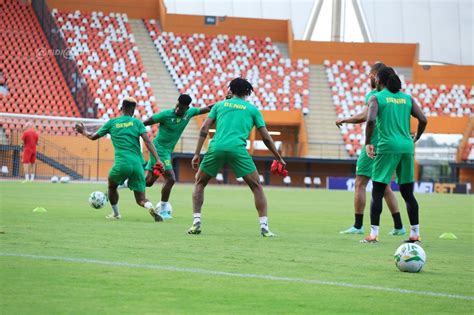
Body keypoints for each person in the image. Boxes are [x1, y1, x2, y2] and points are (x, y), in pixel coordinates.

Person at [189, 78, 286, 237]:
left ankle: (196, 222)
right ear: (248, 92)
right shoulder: (252, 109)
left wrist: (197, 153)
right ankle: (264, 227)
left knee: (200, 182)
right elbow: (266, 138)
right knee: (256, 187)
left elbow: (205, 127)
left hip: (217, 147)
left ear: (230, 90)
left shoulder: (219, 105)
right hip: (238, 149)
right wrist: (278, 157)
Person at [336, 63, 405, 235]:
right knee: (385, 186)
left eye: (370, 75)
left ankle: (358, 226)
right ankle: (399, 227)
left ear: (376, 76)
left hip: (373, 146)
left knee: (360, 183)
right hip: (390, 146)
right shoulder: (397, 96)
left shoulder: (375, 95)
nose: (369, 78)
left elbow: (365, 117)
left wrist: (345, 119)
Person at [362, 67, 427, 243]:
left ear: (379, 80)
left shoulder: (377, 98)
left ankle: (373, 235)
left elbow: (370, 120)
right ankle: (415, 233)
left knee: (377, 191)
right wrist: (416, 137)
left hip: (387, 147)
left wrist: (368, 142)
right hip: (406, 147)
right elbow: (423, 119)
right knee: (408, 193)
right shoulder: (407, 98)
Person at [75, 97, 164, 221]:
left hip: (122, 164)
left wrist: (83, 131)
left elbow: (93, 136)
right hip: (138, 165)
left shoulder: (112, 123)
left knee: (112, 187)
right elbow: (148, 142)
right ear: (133, 111)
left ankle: (116, 214)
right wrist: (158, 160)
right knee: (141, 199)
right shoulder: (137, 123)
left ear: (121, 108)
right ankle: (150, 206)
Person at [142, 94, 213, 219]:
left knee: (148, 182)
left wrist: (226, 101)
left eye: (181, 108)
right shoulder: (165, 115)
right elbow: (144, 123)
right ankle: (163, 209)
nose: (177, 109)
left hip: (166, 152)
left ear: (186, 108)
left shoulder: (189, 113)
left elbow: (208, 108)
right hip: (158, 150)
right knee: (171, 179)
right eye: (177, 106)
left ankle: (123, 183)